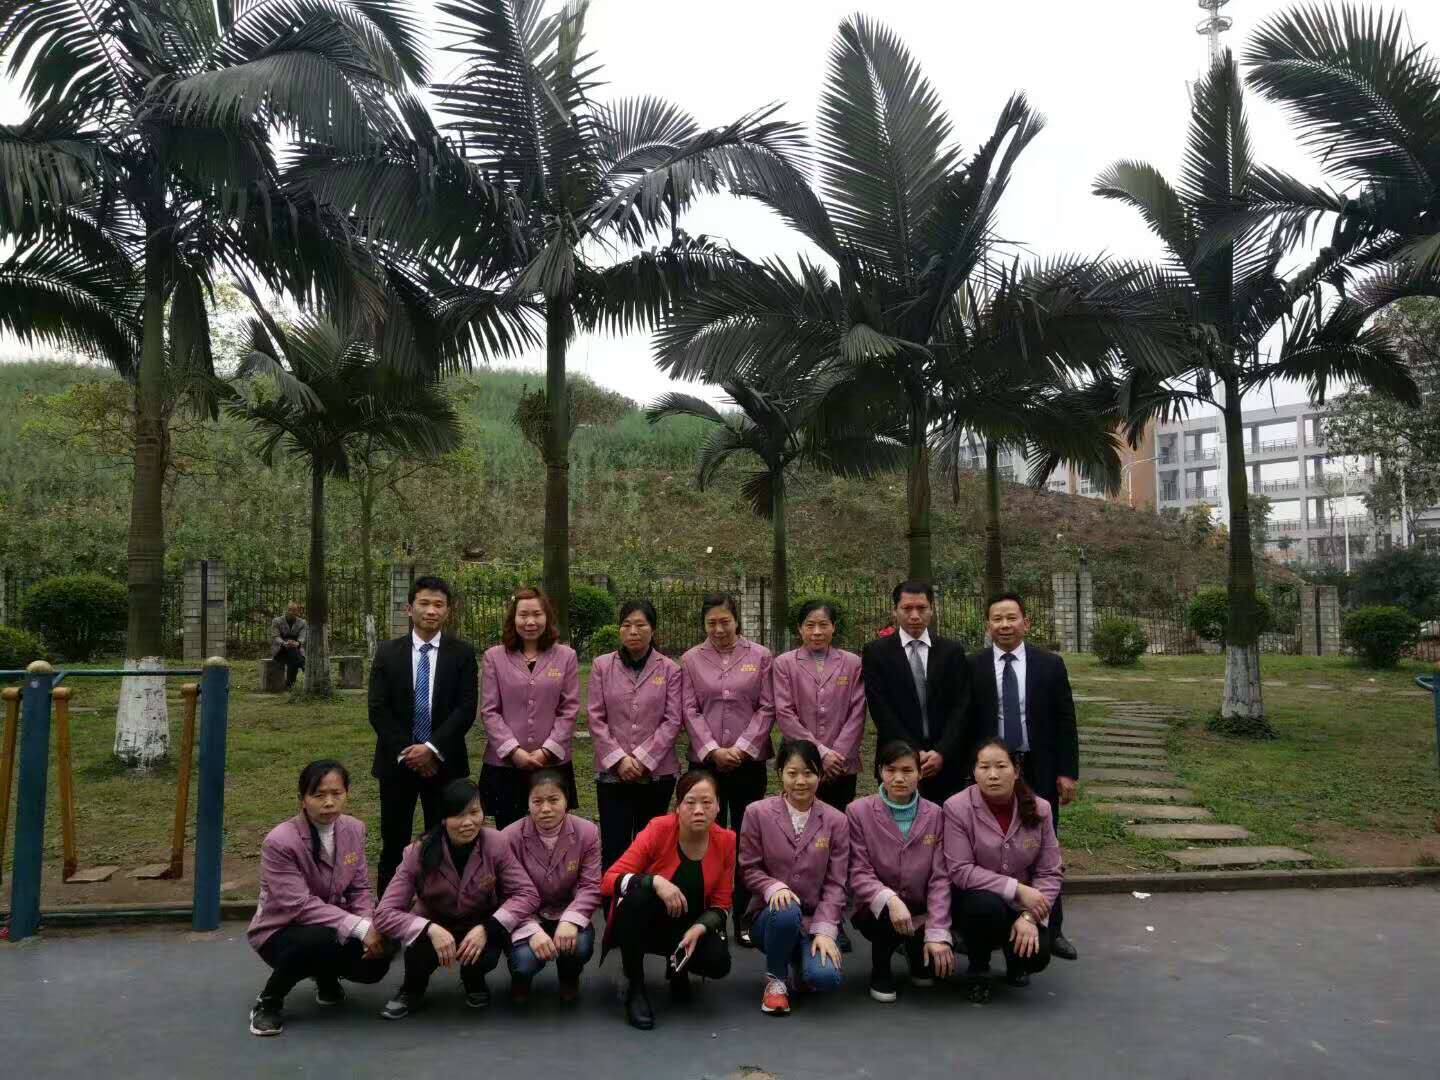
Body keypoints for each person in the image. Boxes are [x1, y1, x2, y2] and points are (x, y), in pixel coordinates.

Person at [967, 592, 1079, 961]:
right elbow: (965, 721)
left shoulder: (1050, 664)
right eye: (997, 619)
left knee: (1045, 846)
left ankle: (1052, 926)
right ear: (988, 625)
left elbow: (1065, 719)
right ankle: (989, 927)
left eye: (1011, 618)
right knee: (989, 845)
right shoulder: (973, 665)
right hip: (992, 767)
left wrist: (1067, 772)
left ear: (1026, 622)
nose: (1005, 625)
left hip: (1038, 766)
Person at [373, 779, 540, 1019]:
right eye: (458, 815)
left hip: (478, 924)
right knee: (418, 949)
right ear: (443, 818)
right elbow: (384, 913)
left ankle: (474, 980)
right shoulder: (416, 852)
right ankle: (411, 990)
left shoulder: (496, 843)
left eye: (474, 812)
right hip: (433, 925)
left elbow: (527, 893)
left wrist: (488, 927)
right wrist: (429, 928)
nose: (468, 822)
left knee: (486, 951)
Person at [246, 760, 391, 1037]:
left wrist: (369, 925)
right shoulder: (279, 841)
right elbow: (299, 906)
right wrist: (359, 928)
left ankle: (326, 977)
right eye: (319, 795)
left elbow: (359, 888)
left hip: (333, 925)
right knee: (319, 938)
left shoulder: (354, 829)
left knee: (381, 952)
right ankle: (268, 1002)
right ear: (302, 799)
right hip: (280, 931)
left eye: (337, 793)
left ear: (347, 793)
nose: (329, 803)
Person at [368, 575, 479, 895]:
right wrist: (411, 752)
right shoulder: (388, 652)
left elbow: (465, 709)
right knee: (394, 840)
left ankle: (441, 903)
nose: (431, 611)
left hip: (445, 763)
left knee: (443, 838)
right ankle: (389, 908)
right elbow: (378, 709)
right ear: (409, 609)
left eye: (439, 605)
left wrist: (431, 748)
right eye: (424, 603)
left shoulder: (462, 654)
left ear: (448, 611)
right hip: (397, 764)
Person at [601, 769, 735, 1030]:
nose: (699, 810)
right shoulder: (658, 829)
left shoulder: (726, 840)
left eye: (707, 802)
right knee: (638, 895)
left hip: (688, 923)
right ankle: (635, 986)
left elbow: (721, 905)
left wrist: (699, 928)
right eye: (690, 802)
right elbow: (608, 880)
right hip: (648, 921)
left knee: (718, 962)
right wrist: (654, 881)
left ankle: (678, 968)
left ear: (718, 806)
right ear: (678, 806)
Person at [680, 592, 774, 945]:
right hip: (706, 765)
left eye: (725, 622)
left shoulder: (760, 656)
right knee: (707, 839)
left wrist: (742, 748)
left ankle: (745, 915)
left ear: (737, 620)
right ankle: (710, 917)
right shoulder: (690, 659)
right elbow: (689, 709)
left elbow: (767, 707)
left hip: (748, 763)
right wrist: (713, 751)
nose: (719, 629)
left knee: (748, 839)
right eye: (711, 623)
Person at [943, 738, 1062, 1003]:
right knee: (984, 907)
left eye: (1001, 766)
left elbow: (1050, 872)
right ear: (974, 772)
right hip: (976, 900)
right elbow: (960, 870)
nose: (993, 775)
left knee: (1037, 957)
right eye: (984, 767)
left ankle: (1015, 960)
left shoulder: (1041, 808)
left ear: (1016, 770)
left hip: (1022, 906)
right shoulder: (956, 807)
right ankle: (978, 969)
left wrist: (1030, 917)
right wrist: (1017, 888)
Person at [738, 739, 849, 1015]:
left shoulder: (836, 820)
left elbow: (836, 884)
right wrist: (773, 887)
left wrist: (825, 931)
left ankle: (799, 962)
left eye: (809, 773)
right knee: (786, 909)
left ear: (820, 776)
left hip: (813, 918)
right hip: (770, 916)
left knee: (825, 978)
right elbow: (748, 868)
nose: (801, 781)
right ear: (780, 774)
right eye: (792, 773)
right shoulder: (757, 813)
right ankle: (775, 980)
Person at [846, 739, 954, 1003]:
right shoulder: (858, 811)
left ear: (920, 773)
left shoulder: (936, 814)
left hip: (920, 907)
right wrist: (890, 899)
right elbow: (858, 871)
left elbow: (940, 877)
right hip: (876, 909)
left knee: (930, 972)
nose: (898, 778)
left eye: (907, 771)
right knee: (886, 912)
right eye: (891, 770)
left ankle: (917, 952)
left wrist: (937, 931)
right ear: (880, 771)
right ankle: (881, 968)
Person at [587, 599, 684, 871]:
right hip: (612, 773)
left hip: (656, 774)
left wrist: (642, 759)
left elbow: (673, 719)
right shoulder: (602, 666)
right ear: (619, 629)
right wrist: (619, 759)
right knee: (614, 845)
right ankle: (613, 896)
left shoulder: (670, 669)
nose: (633, 631)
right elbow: (595, 717)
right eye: (627, 625)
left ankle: (646, 895)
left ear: (653, 629)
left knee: (650, 846)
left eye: (640, 625)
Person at [861, 580, 973, 803]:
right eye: (907, 608)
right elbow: (880, 709)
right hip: (897, 761)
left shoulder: (951, 651)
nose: (914, 615)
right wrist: (913, 753)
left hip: (946, 761)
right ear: (895, 611)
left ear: (932, 609)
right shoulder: (876, 652)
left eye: (922, 608)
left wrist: (942, 751)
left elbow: (962, 705)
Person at [480, 587, 580, 831]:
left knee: (550, 830)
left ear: (547, 617)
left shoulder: (566, 656)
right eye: (523, 615)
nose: (530, 621)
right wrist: (514, 751)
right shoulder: (494, 657)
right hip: (506, 763)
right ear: (513, 618)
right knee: (509, 832)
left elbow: (569, 709)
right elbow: (490, 710)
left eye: (537, 614)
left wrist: (546, 751)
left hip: (552, 762)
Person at [501, 770, 602, 1005]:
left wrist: (570, 920)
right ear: (527, 803)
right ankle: (521, 977)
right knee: (525, 960)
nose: (545, 809)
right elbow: (507, 893)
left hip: (567, 910)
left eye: (553, 800)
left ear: (567, 801)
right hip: (526, 914)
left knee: (578, 946)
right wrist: (531, 929)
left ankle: (568, 976)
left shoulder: (587, 832)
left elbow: (590, 885)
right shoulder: (509, 836)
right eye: (537, 801)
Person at [771, 600, 866, 810]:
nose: (817, 632)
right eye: (810, 625)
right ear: (800, 628)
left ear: (833, 627)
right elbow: (785, 714)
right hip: (799, 761)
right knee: (799, 816)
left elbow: (857, 713)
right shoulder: (784, 664)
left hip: (841, 764)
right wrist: (821, 753)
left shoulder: (852, 663)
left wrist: (836, 756)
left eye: (823, 625)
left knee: (839, 817)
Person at [270, 602, 307, 689]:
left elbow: (302, 637)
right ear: (286, 610)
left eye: (295, 610)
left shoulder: (302, 623)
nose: (293, 612)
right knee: (293, 652)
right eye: (291, 610)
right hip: (280, 650)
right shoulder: (276, 621)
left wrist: (297, 643)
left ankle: (289, 685)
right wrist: (284, 643)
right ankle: (302, 664)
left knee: (292, 652)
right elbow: (276, 636)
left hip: (295, 649)